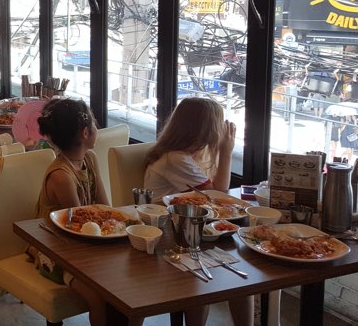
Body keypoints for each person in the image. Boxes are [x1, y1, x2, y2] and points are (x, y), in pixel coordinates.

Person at [143, 98, 252, 326]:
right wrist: (226, 152)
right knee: (232, 276)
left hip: (187, 229)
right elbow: (217, 193)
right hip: (169, 236)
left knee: (241, 279)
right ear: (206, 130)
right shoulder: (176, 158)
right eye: (219, 125)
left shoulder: (185, 154)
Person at [32, 97, 128, 326]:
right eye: (94, 123)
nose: (97, 127)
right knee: (98, 296)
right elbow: (78, 229)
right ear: (85, 132)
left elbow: (105, 208)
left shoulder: (90, 158)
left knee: (126, 285)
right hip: (55, 251)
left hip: (86, 244)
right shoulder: (61, 176)